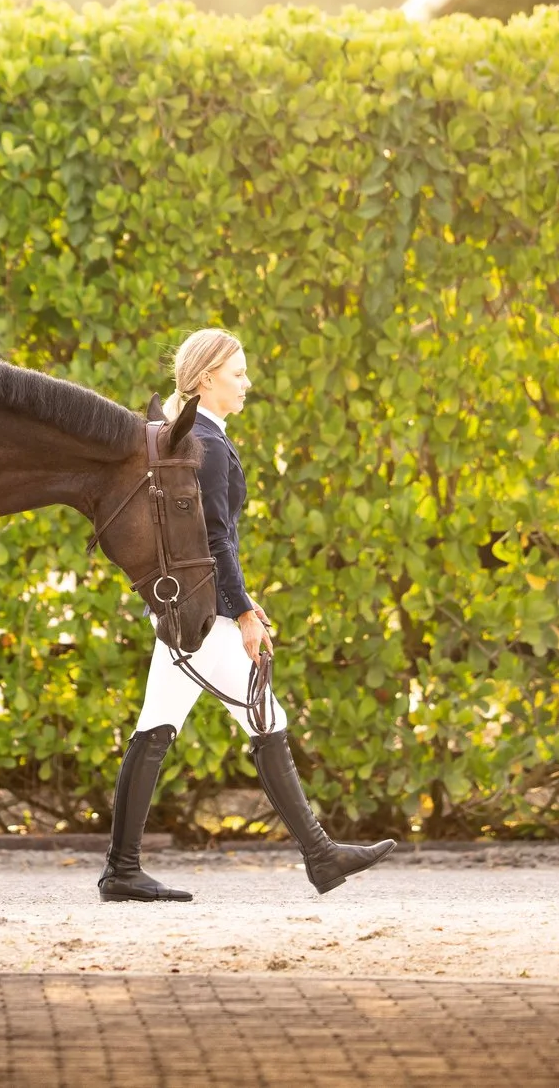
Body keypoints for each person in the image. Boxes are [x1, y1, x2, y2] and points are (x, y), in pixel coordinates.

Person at [98, 328, 398, 901]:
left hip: (192, 608)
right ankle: (320, 855)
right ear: (207, 378)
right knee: (265, 717)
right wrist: (241, 614)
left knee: (155, 728)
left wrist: (243, 601)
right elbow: (215, 541)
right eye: (238, 373)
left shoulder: (198, 437)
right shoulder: (202, 444)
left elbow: (212, 539)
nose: (247, 383)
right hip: (203, 615)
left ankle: (122, 870)